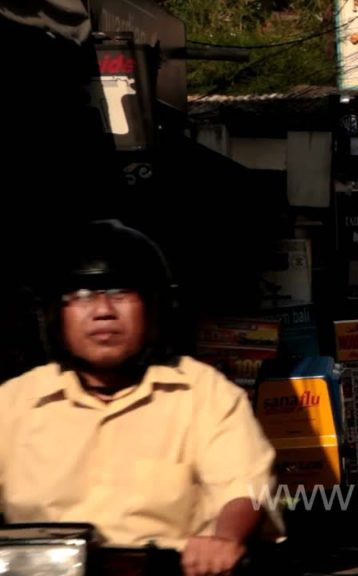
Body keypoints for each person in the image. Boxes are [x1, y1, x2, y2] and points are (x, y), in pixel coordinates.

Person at [0, 220, 279, 576]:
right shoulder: (13, 403)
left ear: (153, 308)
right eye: (83, 295)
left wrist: (224, 540)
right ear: (55, 314)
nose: (103, 311)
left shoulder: (205, 394)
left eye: (120, 293)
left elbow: (244, 487)